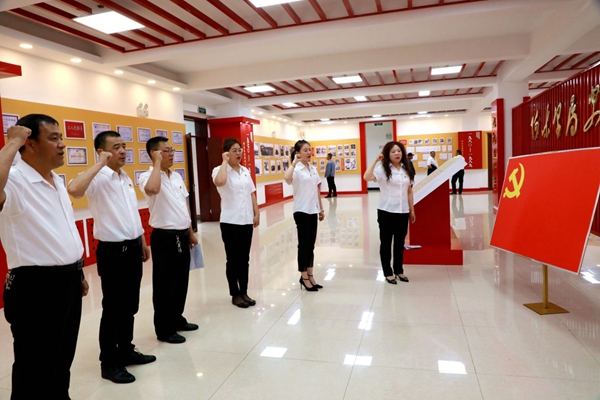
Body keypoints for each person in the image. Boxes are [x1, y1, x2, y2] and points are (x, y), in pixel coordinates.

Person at [0, 114, 88, 400]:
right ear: (30, 144)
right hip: (35, 287)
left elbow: (62, 230)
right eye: (53, 138)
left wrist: (77, 272)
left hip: (68, 280)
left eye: (61, 138)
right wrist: (11, 143)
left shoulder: (56, 181)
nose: (62, 145)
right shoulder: (14, 181)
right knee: (34, 369)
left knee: (61, 361)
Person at [67, 131, 155, 384]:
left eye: (123, 146)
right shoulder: (97, 177)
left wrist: (141, 240)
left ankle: (126, 349)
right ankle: (109, 362)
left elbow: (131, 213)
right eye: (116, 147)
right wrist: (99, 164)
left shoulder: (124, 177)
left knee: (130, 305)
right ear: (101, 151)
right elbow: (74, 189)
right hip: (113, 252)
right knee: (114, 309)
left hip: (132, 247)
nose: (122, 151)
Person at [139, 137, 199, 344]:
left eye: (172, 150)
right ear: (154, 153)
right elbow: (152, 189)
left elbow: (183, 205)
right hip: (164, 237)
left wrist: (190, 231)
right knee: (165, 284)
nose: (171, 154)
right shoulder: (147, 176)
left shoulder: (176, 176)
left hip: (182, 234)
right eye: (166, 151)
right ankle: (164, 329)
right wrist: (157, 163)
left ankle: (177, 318)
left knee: (181, 280)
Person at [212, 138, 260, 308]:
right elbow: (220, 182)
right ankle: (235, 293)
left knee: (244, 259)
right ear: (226, 153)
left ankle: (244, 291)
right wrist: (224, 162)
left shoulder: (245, 171)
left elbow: (251, 193)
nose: (239, 153)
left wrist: (256, 213)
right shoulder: (219, 170)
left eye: (240, 150)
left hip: (246, 220)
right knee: (233, 259)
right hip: (230, 222)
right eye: (234, 150)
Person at [364, 141, 415, 285]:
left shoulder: (406, 168)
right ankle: (387, 272)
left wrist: (412, 209)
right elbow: (367, 177)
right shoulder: (382, 169)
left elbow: (409, 191)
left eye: (399, 151)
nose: (397, 153)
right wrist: (376, 160)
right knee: (386, 243)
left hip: (402, 211)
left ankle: (399, 270)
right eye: (393, 151)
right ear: (387, 154)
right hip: (386, 212)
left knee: (399, 243)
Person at [284, 140, 325, 292]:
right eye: (305, 150)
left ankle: (310, 274)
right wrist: (294, 163)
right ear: (298, 153)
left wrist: (321, 209)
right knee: (303, 245)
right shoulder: (296, 169)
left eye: (309, 150)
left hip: (313, 210)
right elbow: (287, 179)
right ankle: (303, 276)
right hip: (301, 211)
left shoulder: (313, 169)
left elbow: (316, 190)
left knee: (311, 245)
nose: (308, 152)